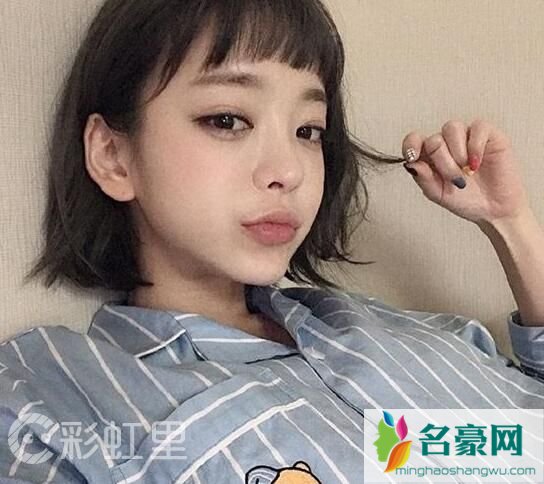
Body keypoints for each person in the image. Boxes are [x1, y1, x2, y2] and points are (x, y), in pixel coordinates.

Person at [1, 0, 543, 482]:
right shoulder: (54, 396)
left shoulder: (387, 332)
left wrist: (510, 224)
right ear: (112, 156)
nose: (289, 171)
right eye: (227, 119)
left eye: (308, 130)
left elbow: (521, 442)